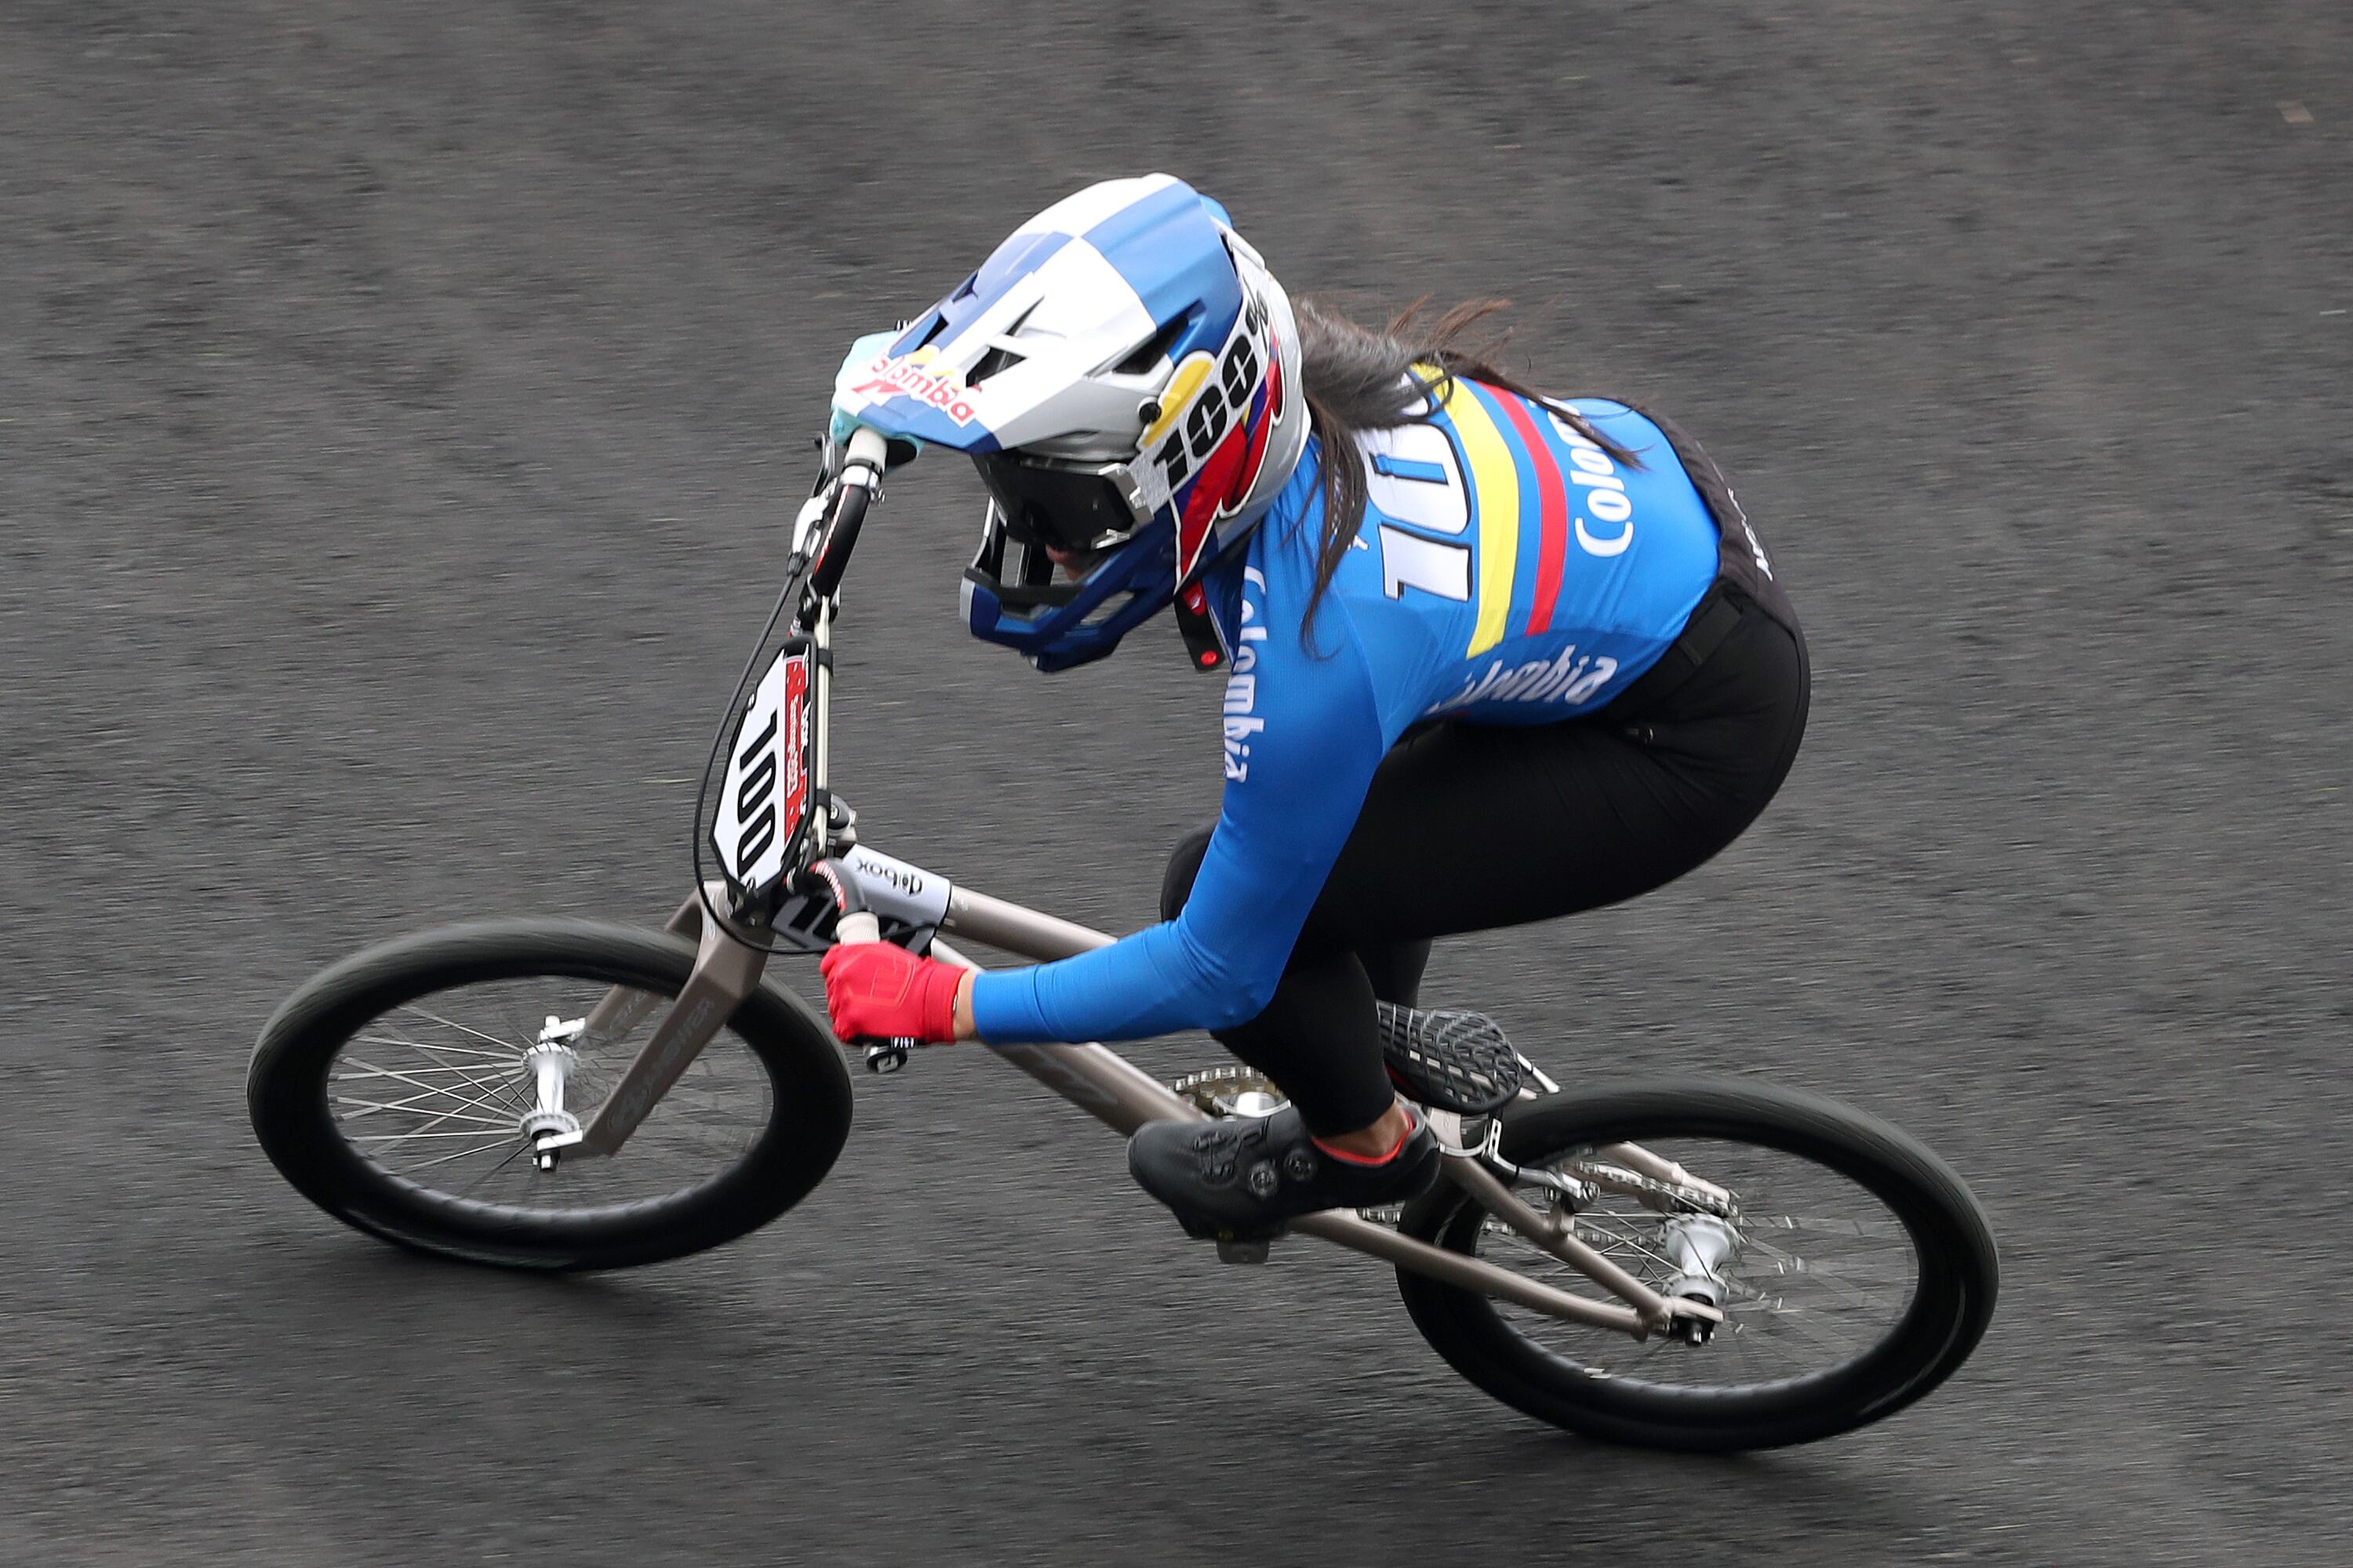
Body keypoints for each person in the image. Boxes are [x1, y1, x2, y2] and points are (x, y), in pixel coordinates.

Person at [816, 174, 1808, 1239]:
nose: (1047, 539)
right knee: (1336, 874)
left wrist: (946, 1005)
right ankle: (1372, 1045)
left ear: (1189, 463)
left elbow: (1212, 967)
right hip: (1648, 525)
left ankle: (1362, 1143)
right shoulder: (1276, 364)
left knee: (1226, 901)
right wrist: (905, 389)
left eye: (1065, 500)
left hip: (1690, 730)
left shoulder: (1316, 663)